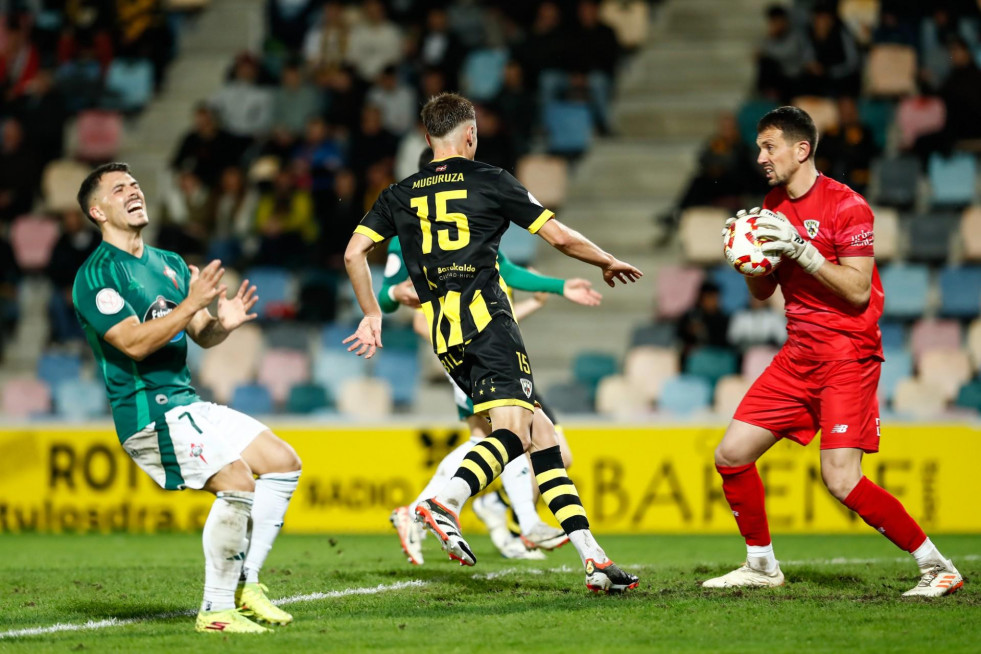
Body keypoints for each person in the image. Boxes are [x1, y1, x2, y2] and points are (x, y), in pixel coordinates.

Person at [344, 92, 643, 592]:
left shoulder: (399, 193)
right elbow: (561, 238)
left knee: (542, 437)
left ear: (427, 138)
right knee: (511, 436)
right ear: (470, 134)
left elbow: (354, 253)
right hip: (487, 324)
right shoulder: (491, 179)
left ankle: (594, 560)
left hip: (446, 336)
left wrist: (372, 313)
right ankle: (446, 502)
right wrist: (605, 260)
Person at [703, 107, 963, 597]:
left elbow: (858, 291)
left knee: (841, 480)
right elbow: (764, 293)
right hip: (798, 355)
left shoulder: (848, 207)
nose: (761, 156)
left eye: (769, 146)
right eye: (759, 147)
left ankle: (937, 566)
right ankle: (761, 565)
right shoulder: (773, 205)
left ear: (802, 150)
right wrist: (748, 262)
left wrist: (803, 251)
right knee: (732, 455)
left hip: (848, 356)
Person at [72, 162, 303, 632]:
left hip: (187, 404)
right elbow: (134, 342)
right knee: (238, 480)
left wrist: (223, 322)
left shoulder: (170, 264)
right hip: (146, 415)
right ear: (97, 211)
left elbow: (201, 334)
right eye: (119, 189)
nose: (133, 191)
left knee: (282, 462)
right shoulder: (96, 276)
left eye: (135, 184)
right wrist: (192, 304)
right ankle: (217, 611)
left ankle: (247, 584)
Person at [379, 187, 603, 562]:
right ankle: (522, 521)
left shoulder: (468, 225)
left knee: (510, 439)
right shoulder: (407, 237)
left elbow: (508, 271)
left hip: (496, 348)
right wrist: (398, 293)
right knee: (515, 433)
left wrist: (560, 286)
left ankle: (425, 510)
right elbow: (387, 294)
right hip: (466, 352)